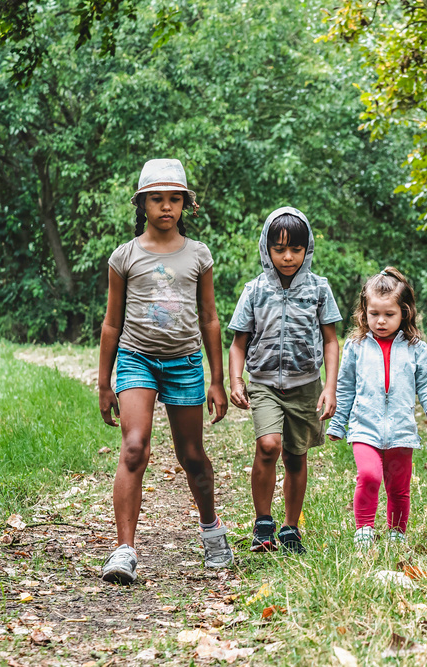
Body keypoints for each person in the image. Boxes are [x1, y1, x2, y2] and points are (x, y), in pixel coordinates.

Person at [98, 159, 232, 584]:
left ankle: (212, 532)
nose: (166, 207)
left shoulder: (198, 254)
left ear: (185, 204)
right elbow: (111, 323)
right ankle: (124, 551)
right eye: (157, 198)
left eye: (175, 198)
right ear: (142, 203)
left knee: (191, 456)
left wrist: (217, 379)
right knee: (135, 446)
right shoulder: (125, 256)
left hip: (186, 362)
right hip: (137, 359)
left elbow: (209, 318)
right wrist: (104, 382)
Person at [227, 207, 341, 554]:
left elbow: (331, 340)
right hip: (263, 383)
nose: (288, 257)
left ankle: (291, 527)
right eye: (279, 249)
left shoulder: (319, 289)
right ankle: (264, 523)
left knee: (296, 455)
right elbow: (238, 343)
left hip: (305, 384)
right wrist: (236, 380)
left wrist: (330, 386)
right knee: (268, 446)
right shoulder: (255, 290)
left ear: (308, 250)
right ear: (266, 248)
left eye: (296, 249)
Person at [326, 268, 427, 550]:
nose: (380, 321)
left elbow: (426, 386)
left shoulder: (416, 348)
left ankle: (396, 532)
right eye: (373, 314)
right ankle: (364, 529)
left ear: (404, 312)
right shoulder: (356, 346)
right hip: (364, 427)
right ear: (363, 312)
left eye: (389, 314)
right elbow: (345, 388)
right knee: (369, 476)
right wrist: (337, 423)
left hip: (401, 430)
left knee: (399, 487)